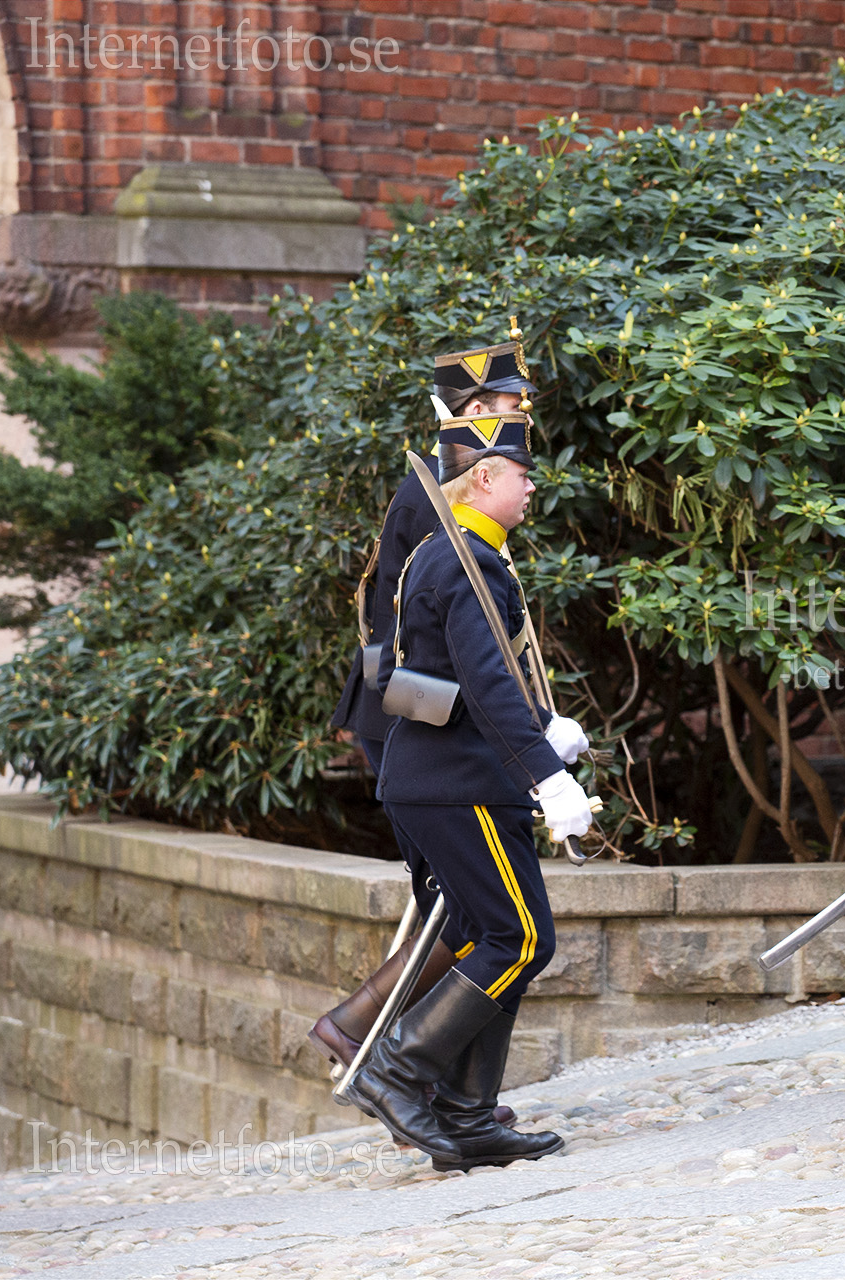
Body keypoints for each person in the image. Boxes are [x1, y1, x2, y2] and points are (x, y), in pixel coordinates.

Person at [350, 406, 593, 1170]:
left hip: (436, 782)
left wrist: (546, 725)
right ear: (484, 477)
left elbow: (452, 677)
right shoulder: (465, 561)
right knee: (519, 939)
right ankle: (396, 1069)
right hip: (459, 786)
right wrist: (547, 774)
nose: (531, 489)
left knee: (495, 940)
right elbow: (487, 685)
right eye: (523, 475)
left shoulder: (442, 554)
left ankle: (468, 1114)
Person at [312, 339, 538, 1119]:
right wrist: (449, 729)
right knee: (471, 912)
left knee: (473, 913)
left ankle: (438, 1081)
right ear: (476, 416)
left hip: (436, 718)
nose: (521, 419)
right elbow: (406, 629)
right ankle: (379, 1045)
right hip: (416, 719)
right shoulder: (434, 496)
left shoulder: (460, 491)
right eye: (510, 406)